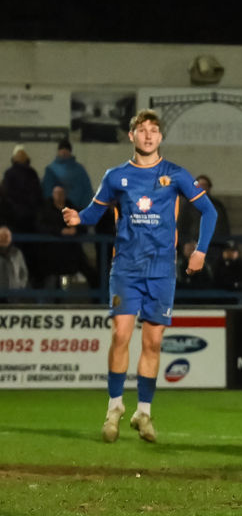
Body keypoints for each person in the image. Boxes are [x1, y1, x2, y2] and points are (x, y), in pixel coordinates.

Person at [62, 109, 217, 443]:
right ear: (131, 136)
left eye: (154, 130)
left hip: (162, 270)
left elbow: (209, 210)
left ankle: (143, 412)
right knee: (121, 334)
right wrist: (78, 218)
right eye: (142, 130)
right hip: (127, 268)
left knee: (154, 341)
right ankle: (114, 407)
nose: (148, 135)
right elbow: (94, 210)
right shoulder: (116, 176)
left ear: (160, 137)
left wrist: (201, 250)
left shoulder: (175, 174)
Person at [177, 174, 231, 246]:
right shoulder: (188, 206)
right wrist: (185, 244)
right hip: (193, 244)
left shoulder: (217, 205)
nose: (202, 187)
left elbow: (224, 226)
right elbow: (181, 227)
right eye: (200, 185)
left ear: (209, 187)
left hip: (215, 244)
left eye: (205, 185)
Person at [42, 138, 93, 210]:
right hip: (57, 211)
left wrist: (84, 207)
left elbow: (87, 190)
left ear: (70, 151)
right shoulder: (50, 170)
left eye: (66, 149)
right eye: (62, 149)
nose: (64, 152)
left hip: (76, 209)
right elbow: (47, 190)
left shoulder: (79, 169)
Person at [0, 225, 30, 295]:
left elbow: (24, 272)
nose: (4, 238)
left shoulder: (16, 253)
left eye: (6, 236)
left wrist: (20, 286)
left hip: (14, 292)